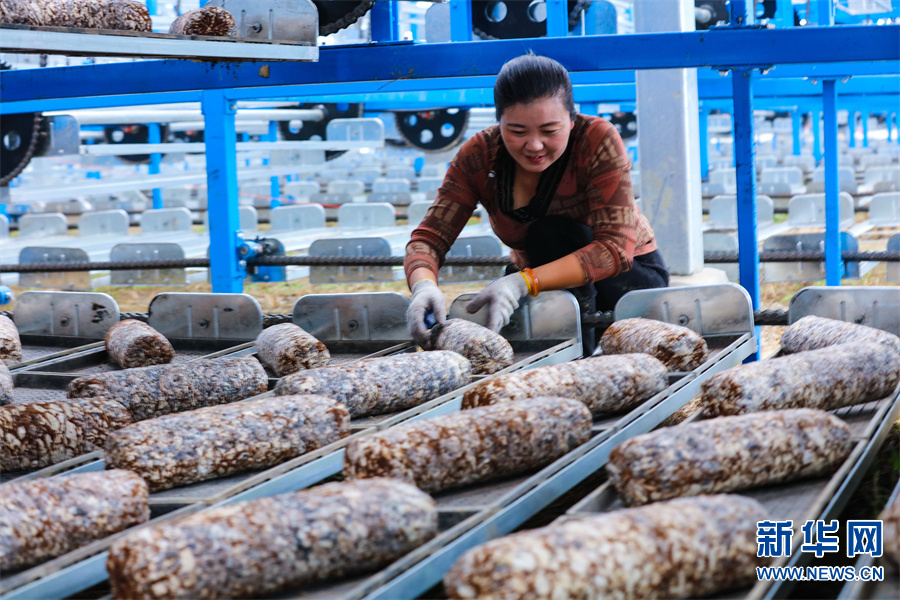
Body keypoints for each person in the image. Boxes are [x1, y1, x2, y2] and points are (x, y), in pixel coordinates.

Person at [404, 53, 668, 355]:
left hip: (626, 287)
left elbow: (614, 249)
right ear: (499, 122)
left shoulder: (596, 139)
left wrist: (523, 282)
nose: (534, 145)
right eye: (517, 132)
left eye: (549, 131)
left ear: (571, 120)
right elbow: (428, 238)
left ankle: (581, 358)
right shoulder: (479, 156)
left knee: (551, 234)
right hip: (546, 284)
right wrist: (423, 285)